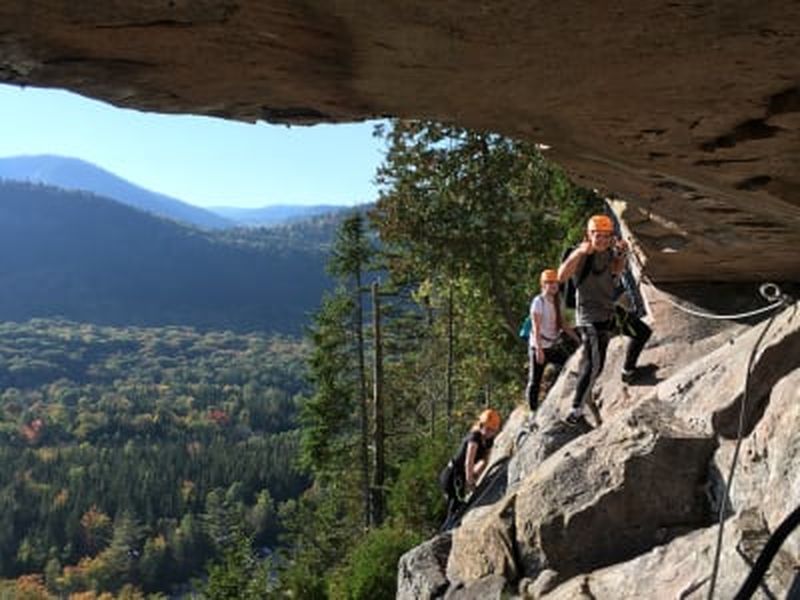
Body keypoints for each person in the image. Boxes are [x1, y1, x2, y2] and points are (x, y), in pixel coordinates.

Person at [557, 214, 628, 425]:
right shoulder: (580, 253)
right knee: (595, 363)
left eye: (607, 236)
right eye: (598, 236)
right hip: (589, 317)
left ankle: (584, 393)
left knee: (597, 360)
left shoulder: (607, 252)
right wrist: (579, 252)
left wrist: (621, 255)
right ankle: (576, 409)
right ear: (589, 235)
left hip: (607, 312)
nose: (603, 240)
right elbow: (561, 275)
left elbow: (615, 271)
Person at [439, 408, 501, 529]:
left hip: (460, 477)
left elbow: (484, 460)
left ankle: (447, 530)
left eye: (492, 430)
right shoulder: (474, 437)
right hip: (452, 476)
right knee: (454, 509)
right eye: (487, 428)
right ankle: (444, 533)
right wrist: (470, 481)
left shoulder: (488, 441)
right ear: (481, 425)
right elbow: (469, 461)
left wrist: (476, 474)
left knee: (458, 509)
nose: (488, 432)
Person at [526, 269, 578, 412]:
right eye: (549, 283)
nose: (553, 285)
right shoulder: (538, 302)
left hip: (552, 345)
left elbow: (563, 324)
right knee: (534, 381)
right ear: (543, 285)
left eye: (555, 282)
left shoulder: (557, 300)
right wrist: (539, 350)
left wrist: (577, 338)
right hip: (539, 346)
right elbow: (536, 328)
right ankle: (532, 411)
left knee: (568, 363)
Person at [615, 267, 653, 382]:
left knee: (642, 331)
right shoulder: (591, 258)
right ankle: (627, 372)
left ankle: (628, 370)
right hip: (600, 309)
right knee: (642, 332)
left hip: (603, 306)